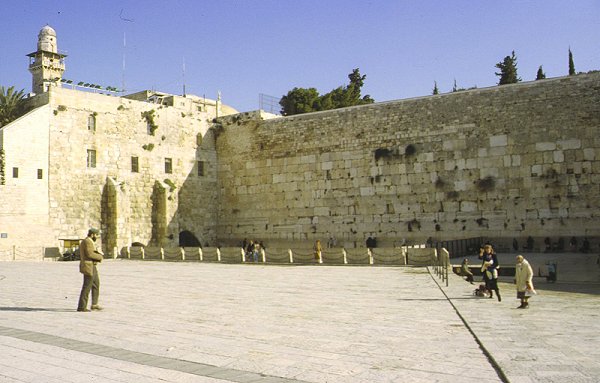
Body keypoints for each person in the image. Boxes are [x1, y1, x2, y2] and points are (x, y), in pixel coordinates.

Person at [77, 228, 104, 312]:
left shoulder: (90, 241)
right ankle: (82, 306)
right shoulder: (87, 241)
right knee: (87, 286)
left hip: (92, 265)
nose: (97, 237)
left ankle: (94, 304)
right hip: (88, 266)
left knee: (96, 284)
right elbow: (89, 254)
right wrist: (100, 256)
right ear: (92, 234)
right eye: (96, 235)